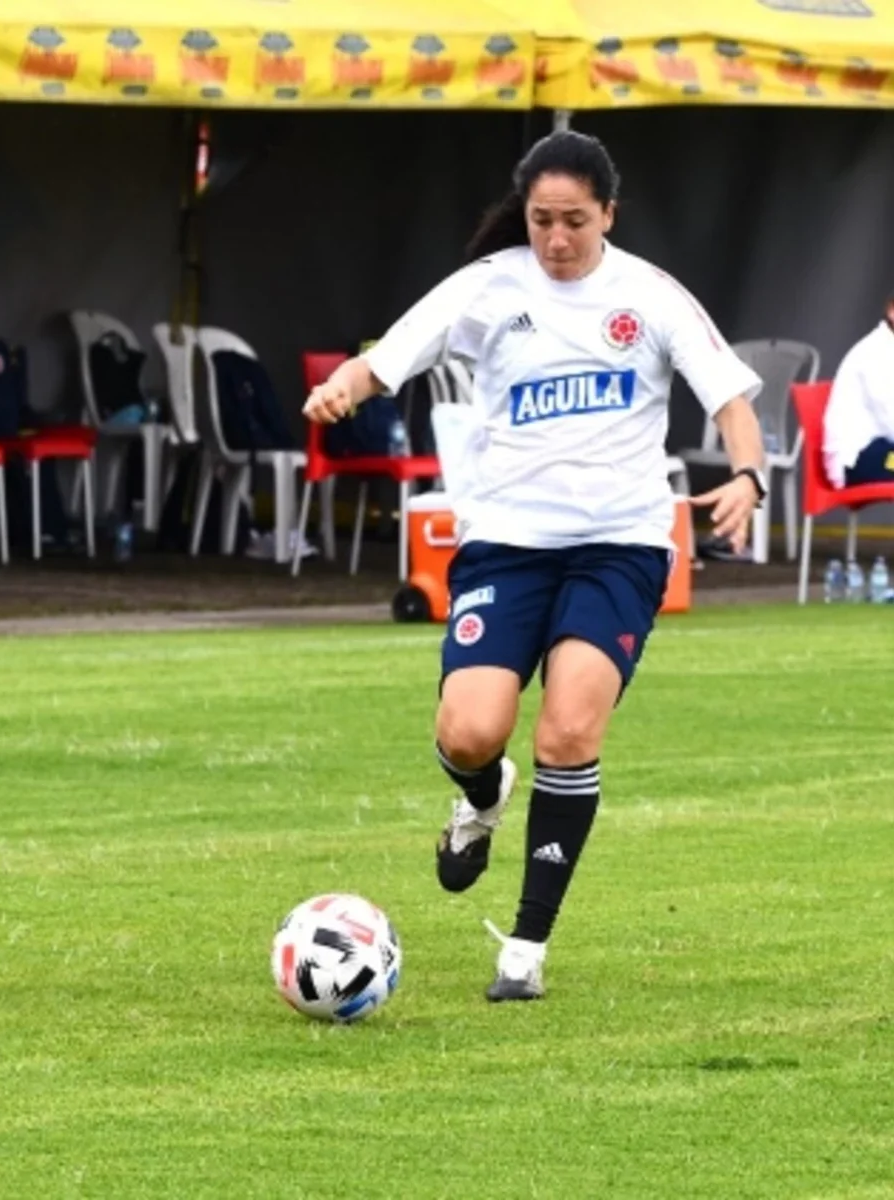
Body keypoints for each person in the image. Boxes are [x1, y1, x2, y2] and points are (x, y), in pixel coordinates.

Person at [305, 130, 766, 1002]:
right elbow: (386, 358)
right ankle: (480, 797)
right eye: (542, 220)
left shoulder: (650, 296)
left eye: (575, 222)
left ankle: (526, 947)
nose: (556, 239)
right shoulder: (489, 288)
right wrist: (345, 389)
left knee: (567, 732)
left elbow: (732, 401)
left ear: (609, 215)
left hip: (621, 546)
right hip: (509, 548)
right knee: (469, 732)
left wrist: (746, 475)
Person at [823, 291, 894, 487]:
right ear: (892, 312)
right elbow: (891, 420)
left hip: (882, 449)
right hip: (856, 460)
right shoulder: (875, 354)